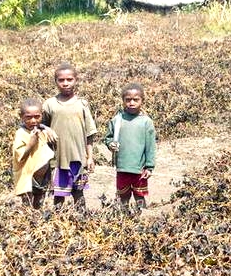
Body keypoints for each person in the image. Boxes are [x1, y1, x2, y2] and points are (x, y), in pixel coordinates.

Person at [42, 62, 97, 209]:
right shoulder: (49, 104)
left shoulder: (82, 104)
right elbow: (39, 126)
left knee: (78, 194)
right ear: (56, 82)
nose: (65, 83)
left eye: (69, 79)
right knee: (59, 196)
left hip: (78, 160)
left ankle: (82, 221)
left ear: (76, 80)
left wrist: (90, 157)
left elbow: (89, 134)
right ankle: (58, 223)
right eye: (61, 80)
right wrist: (45, 129)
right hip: (58, 160)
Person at [105, 83, 156, 212]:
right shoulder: (117, 120)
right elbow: (108, 138)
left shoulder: (146, 122)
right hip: (122, 166)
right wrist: (110, 144)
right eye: (128, 100)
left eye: (136, 100)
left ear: (142, 101)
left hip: (139, 169)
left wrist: (149, 167)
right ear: (123, 101)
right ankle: (124, 218)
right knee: (123, 195)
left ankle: (142, 217)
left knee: (139, 195)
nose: (131, 103)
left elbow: (150, 146)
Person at [12, 98, 56, 209]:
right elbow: (20, 156)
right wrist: (31, 143)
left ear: (42, 115)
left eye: (37, 117)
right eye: (28, 117)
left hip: (41, 177)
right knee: (27, 203)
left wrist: (46, 128)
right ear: (21, 116)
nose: (33, 121)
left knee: (38, 203)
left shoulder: (41, 130)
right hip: (28, 176)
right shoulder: (21, 134)